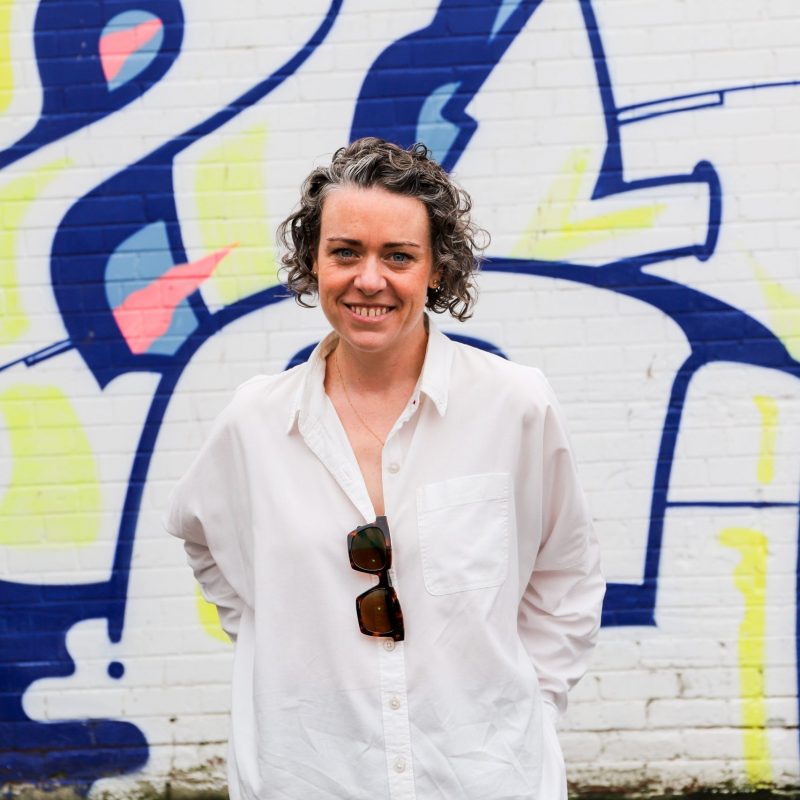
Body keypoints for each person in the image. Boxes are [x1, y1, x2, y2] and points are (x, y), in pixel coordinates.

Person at [165, 137, 605, 800]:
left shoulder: (513, 406)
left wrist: (534, 709)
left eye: (397, 256)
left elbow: (566, 573)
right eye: (345, 251)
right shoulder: (255, 422)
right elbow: (204, 540)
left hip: (483, 777)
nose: (368, 279)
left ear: (436, 270)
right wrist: (280, 630)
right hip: (309, 775)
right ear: (313, 262)